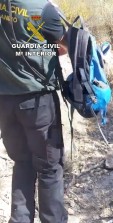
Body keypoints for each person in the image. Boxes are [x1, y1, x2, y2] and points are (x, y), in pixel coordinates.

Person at [0, 0, 68, 222]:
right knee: (49, 168)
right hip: (37, 101)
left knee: (22, 163)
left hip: (5, 101)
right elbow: (63, 48)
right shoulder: (43, 9)